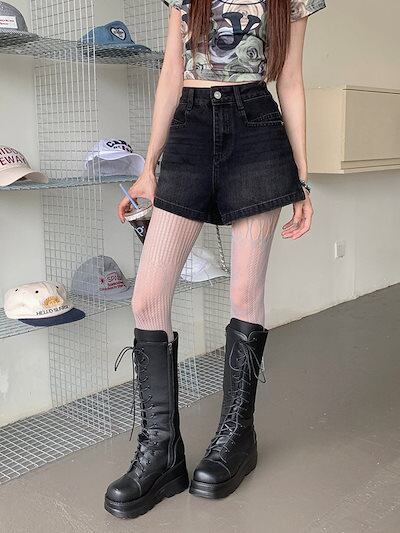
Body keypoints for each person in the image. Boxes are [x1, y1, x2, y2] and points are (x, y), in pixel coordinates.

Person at [104, 0, 326, 519]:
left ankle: (237, 439)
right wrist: (149, 167)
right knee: (147, 298)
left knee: (245, 293)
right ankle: (162, 452)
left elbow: (291, 80)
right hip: (189, 130)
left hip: (257, 132)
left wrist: (302, 178)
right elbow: (170, 71)